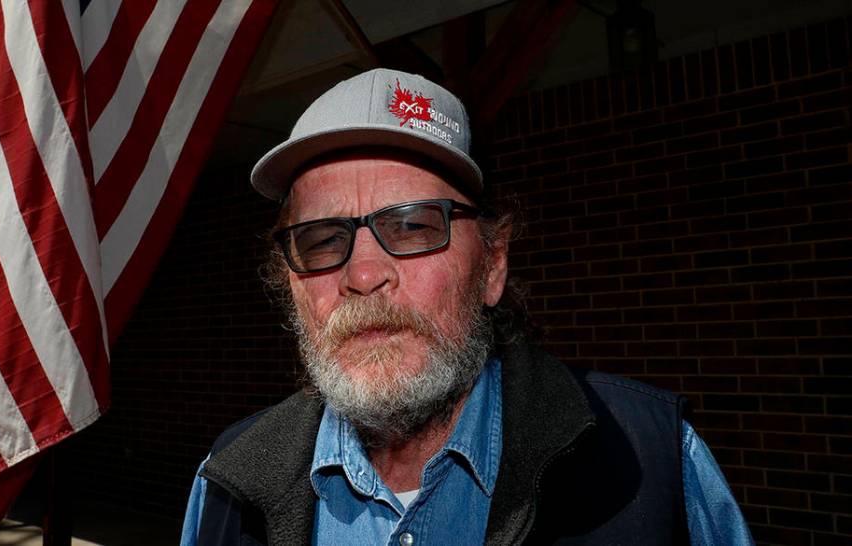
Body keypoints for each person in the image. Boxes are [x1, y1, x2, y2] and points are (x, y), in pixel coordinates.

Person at [180, 68, 753, 545]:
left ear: (493, 265)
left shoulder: (650, 462)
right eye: (324, 239)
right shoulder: (228, 483)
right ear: (291, 283)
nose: (362, 275)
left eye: (411, 226)